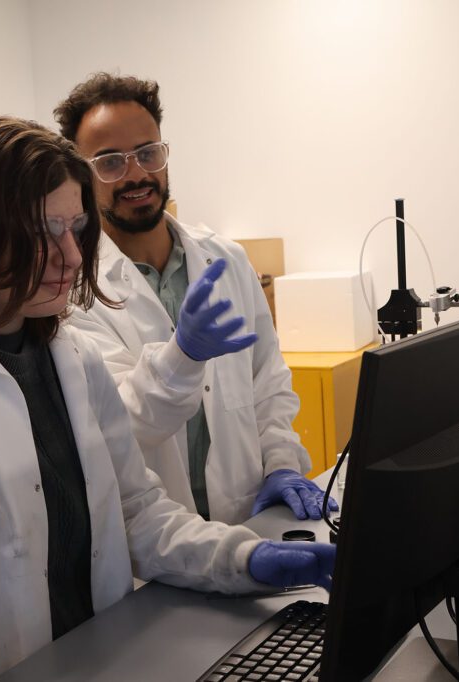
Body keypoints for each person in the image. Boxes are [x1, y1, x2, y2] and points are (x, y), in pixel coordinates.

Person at [0, 116, 335, 681]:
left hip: (96, 659)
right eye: (42, 232)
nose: (72, 257)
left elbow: (136, 514)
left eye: (76, 227)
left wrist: (244, 558)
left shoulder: (71, 356)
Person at [55, 73, 337, 525]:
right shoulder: (73, 293)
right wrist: (181, 358)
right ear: (80, 176)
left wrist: (281, 463)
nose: (137, 175)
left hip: (252, 517)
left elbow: (268, 382)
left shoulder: (226, 259)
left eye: (148, 153)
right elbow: (121, 427)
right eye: (110, 162)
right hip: (154, 545)